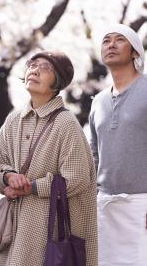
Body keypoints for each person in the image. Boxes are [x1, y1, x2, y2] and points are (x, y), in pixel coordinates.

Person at [0, 51, 97, 266]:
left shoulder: (66, 123)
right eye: (32, 65)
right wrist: (8, 176)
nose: (35, 70)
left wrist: (31, 186)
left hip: (50, 230)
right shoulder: (13, 120)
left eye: (45, 68)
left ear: (57, 81)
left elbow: (77, 178)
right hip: (14, 230)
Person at [89, 23, 147, 266]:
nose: (111, 44)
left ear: (135, 51)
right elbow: (94, 155)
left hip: (142, 206)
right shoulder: (98, 101)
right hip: (105, 207)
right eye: (106, 40)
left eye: (119, 39)